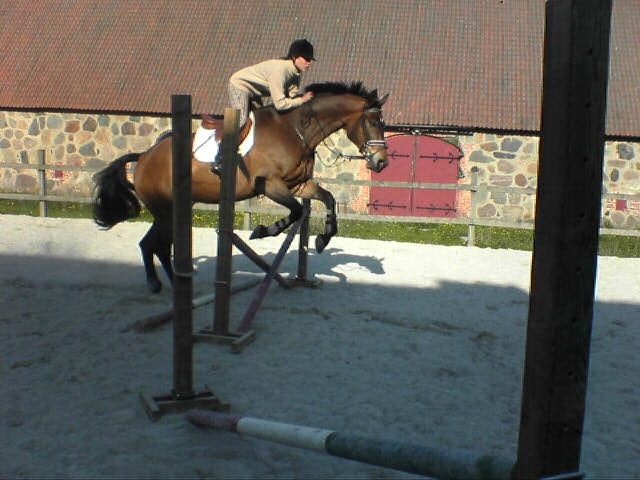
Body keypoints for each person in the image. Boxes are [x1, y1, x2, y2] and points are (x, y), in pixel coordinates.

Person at [210, 39, 316, 174]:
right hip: (240, 86)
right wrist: (302, 100)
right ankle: (220, 158)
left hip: (254, 92)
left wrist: (303, 102)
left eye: (310, 60)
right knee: (241, 120)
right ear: (295, 57)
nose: (309, 63)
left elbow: (291, 100)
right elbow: (281, 104)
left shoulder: (296, 74)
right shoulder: (280, 70)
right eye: (306, 59)